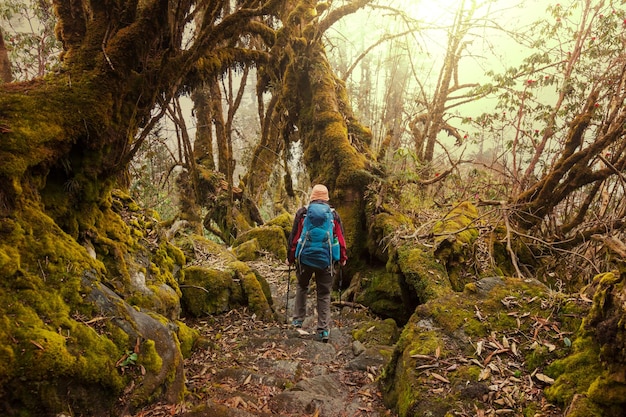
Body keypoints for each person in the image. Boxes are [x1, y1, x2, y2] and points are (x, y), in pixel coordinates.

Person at [287, 184, 347, 343]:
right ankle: (323, 331)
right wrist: (342, 257)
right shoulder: (333, 215)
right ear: (326, 199)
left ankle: (297, 321)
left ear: (312, 197)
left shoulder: (303, 213)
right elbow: (340, 238)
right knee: (324, 293)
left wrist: (290, 257)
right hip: (326, 260)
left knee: (302, 286)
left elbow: (294, 237)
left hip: (304, 259)